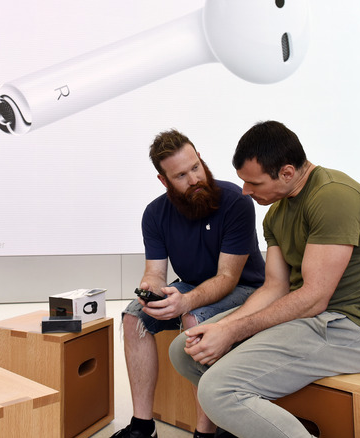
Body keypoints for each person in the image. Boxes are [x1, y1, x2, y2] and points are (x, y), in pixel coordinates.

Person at [169, 120, 360, 438]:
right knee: (185, 349)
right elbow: (275, 287)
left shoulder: (333, 196)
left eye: (253, 183)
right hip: (305, 320)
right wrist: (221, 329)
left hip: (345, 331)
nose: (245, 191)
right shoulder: (275, 214)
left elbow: (315, 297)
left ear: (287, 172)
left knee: (217, 391)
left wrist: (230, 331)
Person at [111, 129, 265, 438]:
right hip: (193, 286)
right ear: (164, 181)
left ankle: (204, 433)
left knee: (193, 320)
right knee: (132, 318)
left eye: (196, 166)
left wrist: (184, 302)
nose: (194, 178)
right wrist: (151, 290)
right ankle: (142, 427)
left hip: (245, 290)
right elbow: (155, 273)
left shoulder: (236, 202)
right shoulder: (155, 214)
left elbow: (226, 278)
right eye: (181, 175)